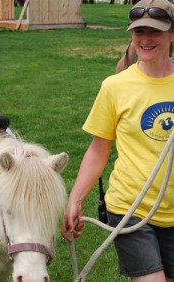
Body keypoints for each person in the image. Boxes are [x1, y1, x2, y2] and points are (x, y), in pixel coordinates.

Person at [62, 0, 174, 281]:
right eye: (139, 32)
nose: (145, 40)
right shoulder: (115, 86)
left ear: (172, 34)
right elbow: (98, 149)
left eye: (155, 32)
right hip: (130, 208)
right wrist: (75, 199)